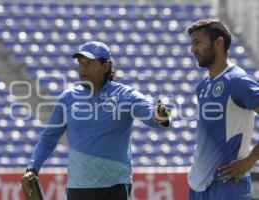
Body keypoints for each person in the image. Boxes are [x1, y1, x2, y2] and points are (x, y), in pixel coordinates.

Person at [21, 41, 171, 200]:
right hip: (78, 189)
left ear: (106, 66)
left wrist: (159, 115)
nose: (83, 68)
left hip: (114, 188)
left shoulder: (125, 95)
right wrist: (33, 168)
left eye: (89, 63)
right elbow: (48, 138)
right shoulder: (67, 98)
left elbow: (152, 116)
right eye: (81, 63)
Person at [187, 18, 259, 200]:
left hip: (228, 186)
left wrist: (249, 161)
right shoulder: (202, 87)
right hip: (198, 187)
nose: (193, 49)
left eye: (197, 42)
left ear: (218, 43)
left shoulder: (237, 81)